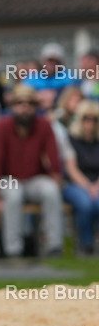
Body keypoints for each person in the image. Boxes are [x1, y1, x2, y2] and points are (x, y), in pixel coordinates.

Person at [0, 84, 64, 257]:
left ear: (35, 107)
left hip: (34, 179)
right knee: (14, 195)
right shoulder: (1, 127)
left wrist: (57, 179)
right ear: (13, 106)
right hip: (8, 179)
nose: (25, 107)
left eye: (29, 103)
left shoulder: (44, 125)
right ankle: (13, 250)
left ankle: (55, 246)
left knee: (51, 190)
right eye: (20, 103)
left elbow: (54, 159)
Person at [63, 100, 99, 254]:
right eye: (86, 118)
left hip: (97, 184)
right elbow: (71, 169)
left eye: (94, 119)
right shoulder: (70, 139)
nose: (90, 123)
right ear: (79, 119)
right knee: (85, 203)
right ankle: (86, 244)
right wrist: (88, 186)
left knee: (97, 202)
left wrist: (96, 186)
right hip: (75, 184)